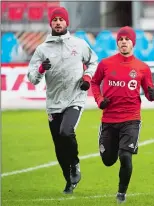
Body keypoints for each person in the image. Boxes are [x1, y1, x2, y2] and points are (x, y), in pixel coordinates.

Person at [27, 7, 98, 194]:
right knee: (59, 145)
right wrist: (41, 69)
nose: (58, 22)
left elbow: (93, 61)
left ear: (67, 23)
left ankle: (75, 164)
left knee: (66, 131)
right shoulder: (42, 49)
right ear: (50, 23)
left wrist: (87, 78)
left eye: (61, 19)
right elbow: (32, 77)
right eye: (55, 20)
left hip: (75, 98)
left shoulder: (79, 44)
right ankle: (69, 181)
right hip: (53, 103)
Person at [91, 26, 154, 203]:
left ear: (133, 43)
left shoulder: (142, 67)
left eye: (127, 39)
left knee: (125, 156)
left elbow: (150, 91)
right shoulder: (105, 64)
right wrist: (99, 100)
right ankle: (108, 151)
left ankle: (121, 193)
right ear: (117, 43)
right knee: (108, 160)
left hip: (131, 118)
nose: (123, 42)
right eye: (120, 39)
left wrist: (152, 94)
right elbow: (95, 83)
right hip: (109, 119)